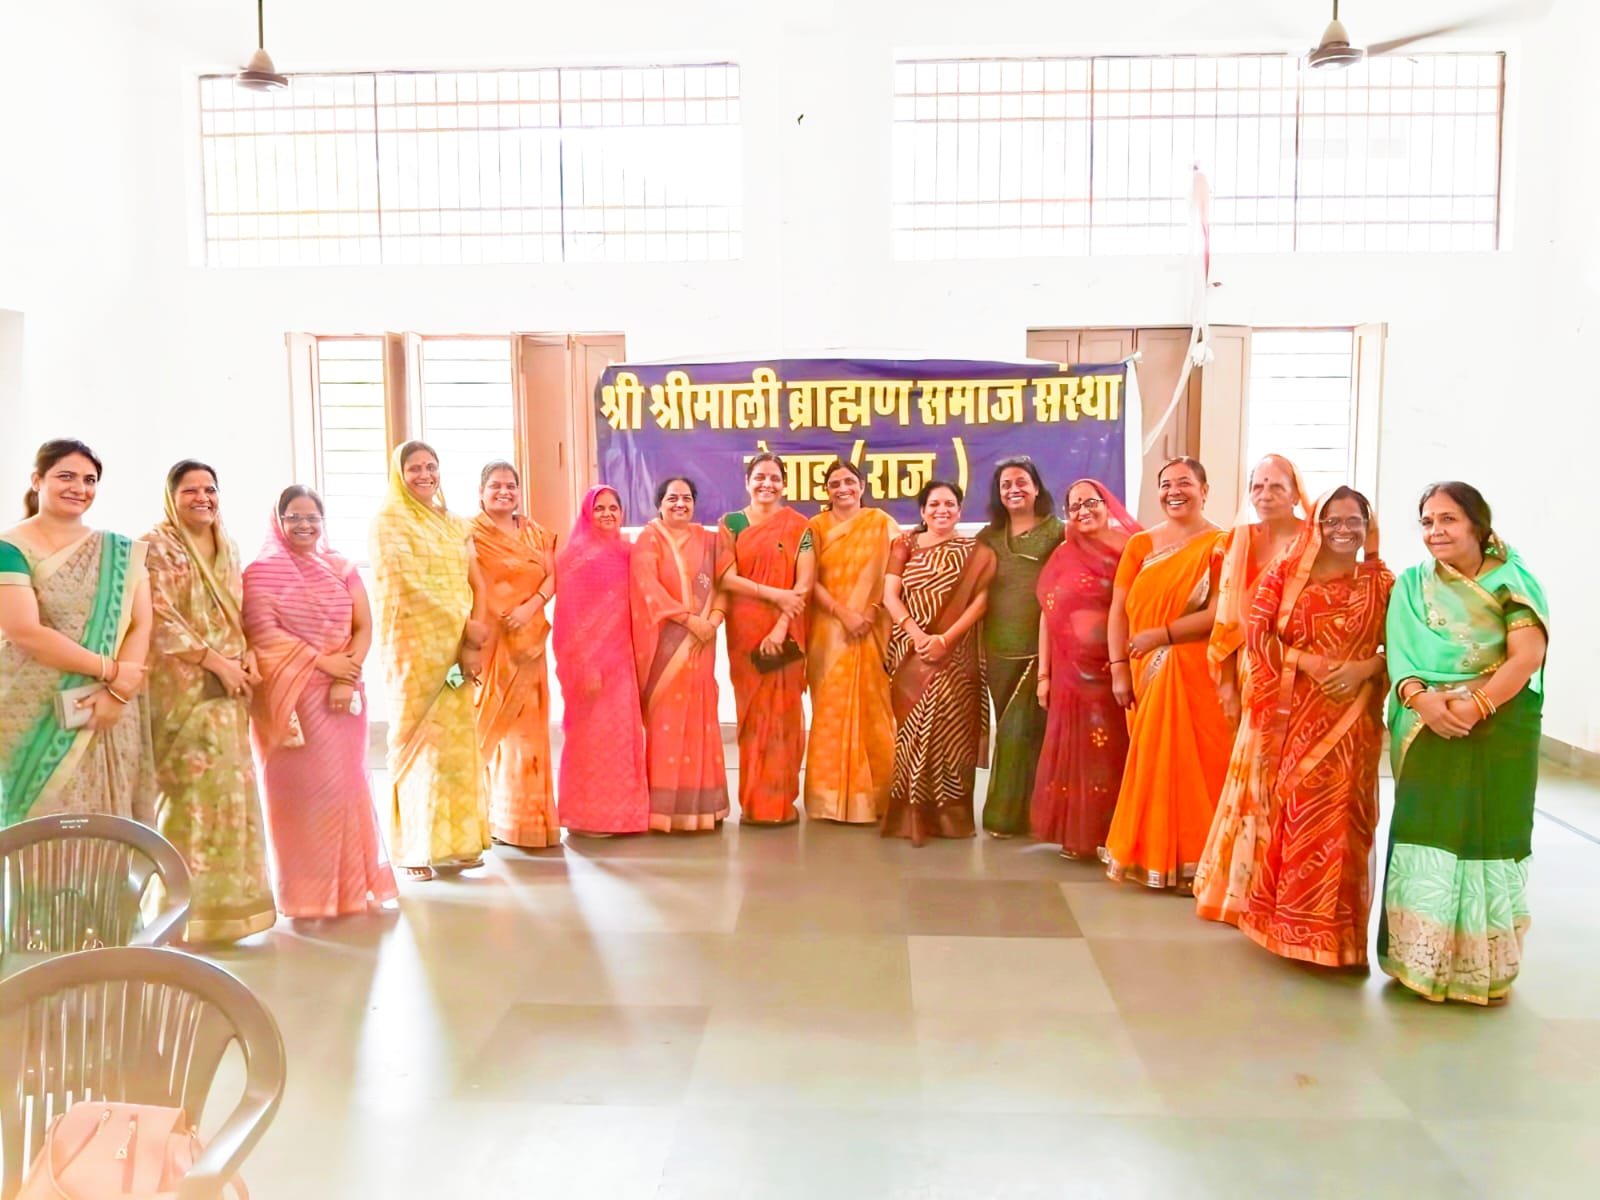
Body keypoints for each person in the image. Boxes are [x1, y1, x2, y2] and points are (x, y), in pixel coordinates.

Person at [1380, 482, 1548, 1005]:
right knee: (1427, 832)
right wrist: (1423, 702)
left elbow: (1526, 656)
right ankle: (1420, 961)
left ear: (1477, 523)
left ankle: (1483, 967)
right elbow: (1400, 657)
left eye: (1448, 519)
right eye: (1427, 521)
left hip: (1499, 727)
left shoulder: (1511, 580)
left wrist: (1477, 706)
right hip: (1427, 725)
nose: (1436, 531)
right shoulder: (1412, 585)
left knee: (1488, 834)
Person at [1238, 488, 1392, 967]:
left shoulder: (1383, 583)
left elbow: (1402, 649)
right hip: (1295, 716)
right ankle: (1287, 927)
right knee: (1298, 814)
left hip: (1353, 724)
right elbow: (1256, 636)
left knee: (1346, 824)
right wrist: (1306, 662)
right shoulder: (1284, 575)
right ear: (1317, 525)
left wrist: (1365, 669)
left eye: (1354, 521)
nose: (1343, 530)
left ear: (1368, 525)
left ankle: (1339, 941)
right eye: (1333, 521)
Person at [244, 486, 398, 918]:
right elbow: (263, 635)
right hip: (290, 702)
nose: (304, 525)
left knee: (344, 792)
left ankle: (350, 891)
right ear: (278, 520)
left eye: (312, 517)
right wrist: (322, 662)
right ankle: (306, 896)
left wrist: (346, 674)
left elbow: (363, 625)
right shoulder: (259, 573)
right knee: (297, 800)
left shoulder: (340, 567)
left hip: (342, 700)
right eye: (294, 516)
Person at [144, 461, 276, 941]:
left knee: (230, 793)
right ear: (171, 496)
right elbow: (158, 617)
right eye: (191, 490)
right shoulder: (155, 547)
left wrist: (248, 655)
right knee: (188, 798)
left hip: (231, 690)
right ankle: (180, 915)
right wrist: (217, 663)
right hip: (183, 689)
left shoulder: (229, 545)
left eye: (210, 489)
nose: (203, 498)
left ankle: (229, 911)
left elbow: (236, 613)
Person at [0, 439, 155, 827]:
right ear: (37, 480)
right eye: (66, 476)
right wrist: (111, 671)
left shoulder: (119, 550)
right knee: (38, 827)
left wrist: (118, 693)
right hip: (33, 707)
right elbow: (24, 631)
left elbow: (141, 623)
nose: (79, 488)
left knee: (108, 828)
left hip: (110, 708)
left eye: (89, 480)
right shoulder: (10, 548)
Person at [1103, 456, 1231, 890]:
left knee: (1197, 767)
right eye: (1166, 484)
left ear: (1204, 490)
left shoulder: (1222, 545)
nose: (1174, 491)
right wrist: (1119, 668)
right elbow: (1118, 610)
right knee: (1153, 767)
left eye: (1185, 483)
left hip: (1195, 671)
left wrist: (1163, 635)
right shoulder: (1140, 545)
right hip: (1143, 668)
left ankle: (1199, 863)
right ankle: (1153, 855)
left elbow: (1221, 613)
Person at [1193, 454, 1310, 924]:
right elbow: (1226, 617)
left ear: (1296, 492)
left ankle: (1289, 883)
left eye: (1276, 486)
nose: (1265, 495)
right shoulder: (1239, 540)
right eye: (1258, 486)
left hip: (1304, 671)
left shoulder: (1314, 539)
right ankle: (1243, 884)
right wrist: (1226, 682)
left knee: (1293, 770)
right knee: (1253, 768)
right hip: (1253, 668)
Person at [370, 441, 490, 880]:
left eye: (431, 466)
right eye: (415, 468)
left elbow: (476, 582)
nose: (424, 474)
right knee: (416, 740)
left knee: (455, 742)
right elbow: (403, 588)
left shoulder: (456, 525)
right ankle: (413, 850)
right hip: (415, 653)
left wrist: (473, 637)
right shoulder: (388, 523)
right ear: (399, 474)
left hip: (457, 654)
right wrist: (463, 624)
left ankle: (456, 844)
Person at [880, 481, 996, 846]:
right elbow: (889, 595)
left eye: (949, 504)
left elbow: (980, 602)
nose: (941, 510)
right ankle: (911, 814)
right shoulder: (904, 544)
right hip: (909, 651)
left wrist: (945, 640)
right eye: (933, 504)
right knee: (911, 732)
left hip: (956, 656)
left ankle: (949, 817)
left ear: (960, 510)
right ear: (922, 510)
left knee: (951, 733)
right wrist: (917, 635)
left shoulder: (977, 551)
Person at [1030, 479, 1140, 859]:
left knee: (1112, 750)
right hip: (1068, 673)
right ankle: (1078, 835)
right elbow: (1048, 614)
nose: (1083, 511)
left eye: (1090, 502)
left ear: (1107, 504)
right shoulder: (1064, 553)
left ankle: (1115, 833)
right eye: (1074, 506)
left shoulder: (1132, 548)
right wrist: (1044, 675)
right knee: (1076, 752)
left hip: (1116, 670)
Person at [716, 452, 814, 826]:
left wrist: (781, 625)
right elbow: (726, 577)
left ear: (784, 484)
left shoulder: (800, 526)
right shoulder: (732, 523)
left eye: (774, 477)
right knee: (753, 715)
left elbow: (803, 584)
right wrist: (775, 595)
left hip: (786, 629)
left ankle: (779, 803)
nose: (767, 484)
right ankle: (756, 804)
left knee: (784, 714)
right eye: (759, 477)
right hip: (745, 630)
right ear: (747, 481)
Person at [631, 476, 730, 832]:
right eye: (672, 498)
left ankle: (702, 808)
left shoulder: (709, 539)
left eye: (686, 498)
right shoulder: (649, 539)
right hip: (667, 646)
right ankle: (665, 811)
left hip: (703, 642)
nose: (680, 504)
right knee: (667, 723)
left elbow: (724, 583)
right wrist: (690, 621)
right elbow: (649, 589)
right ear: (659, 503)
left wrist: (713, 620)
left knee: (702, 717)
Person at [471, 461, 560, 850]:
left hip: (528, 644)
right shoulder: (468, 534)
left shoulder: (537, 533)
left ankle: (527, 822)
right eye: (495, 485)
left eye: (510, 485)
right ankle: (487, 819)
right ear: (481, 492)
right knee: (492, 729)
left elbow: (552, 577)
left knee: (529, 734)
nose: (504, 491)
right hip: (488, 646)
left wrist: (529, 607)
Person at [803, 459, 898, 824]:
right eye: (834, 484)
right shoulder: (814, 527)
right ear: (826, 491)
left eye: (849, 481)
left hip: (872, 629)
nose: (842, 488)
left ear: (862, 486)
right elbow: (808, 579)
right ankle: (828, 800)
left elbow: (895, 572)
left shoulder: (881, 523)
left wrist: (870, 613)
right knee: (829, 710)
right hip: (829, 632)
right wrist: (843, 613)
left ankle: (876, 797)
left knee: (874, 710)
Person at [553, 485, 650, 836]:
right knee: (590, 740)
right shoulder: (574, 557)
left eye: (613, 508)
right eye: (600, 508)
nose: (607, 514)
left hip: (623, 662)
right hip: (589, 668)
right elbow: (570, 616)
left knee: (621, 737)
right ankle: (585, 818)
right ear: (587, 513)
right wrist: (586, 665)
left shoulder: (628, 553)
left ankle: (623, 817)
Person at [977, 456, 1064, 837]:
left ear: (1036, 487)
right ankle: (1021, 814)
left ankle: (1016, 817)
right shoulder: (988, 537)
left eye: (1021, 482)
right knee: (1009, 732)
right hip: (997, 648)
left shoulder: (1058, 532)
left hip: (1041, 649)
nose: (1014, 489)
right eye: (1006, 485)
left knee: (1027, 734)